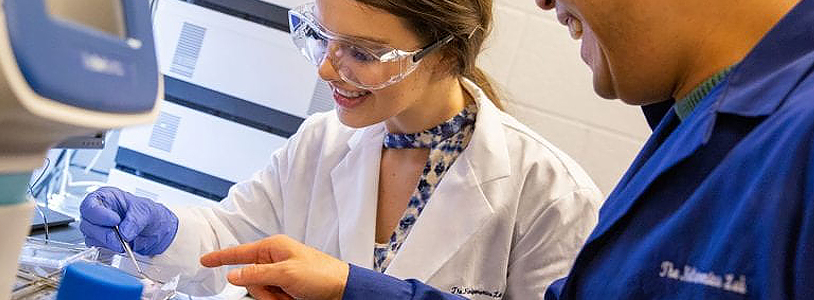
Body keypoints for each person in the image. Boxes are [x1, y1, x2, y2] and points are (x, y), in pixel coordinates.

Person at [202, 0, 814, 299]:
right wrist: (350, 290)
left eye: (364, 52)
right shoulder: (691, 128)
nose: (544, 2)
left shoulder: (794, 142)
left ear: (442, 54)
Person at [79, 0, 602, 298]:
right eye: (322, 38)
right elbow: (236, 239)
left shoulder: (551, 195)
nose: (328, 69)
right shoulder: (323, 140)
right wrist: (165, 231)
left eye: (363, 53)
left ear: (446, 55)